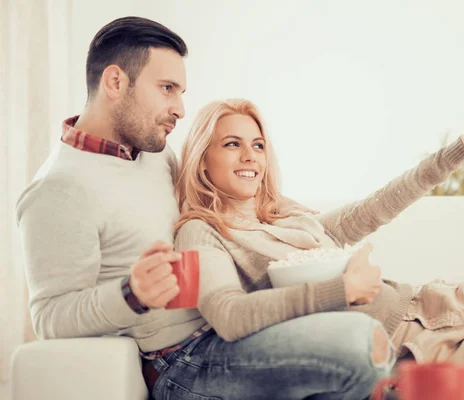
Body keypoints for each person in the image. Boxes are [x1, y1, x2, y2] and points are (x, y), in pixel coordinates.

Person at [16, 16, 392, 400]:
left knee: (377, 328)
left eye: (180, 92)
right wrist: (132, 293)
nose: (179, 108)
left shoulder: (154, 156)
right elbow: (49, 319)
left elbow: (219, 206)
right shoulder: (58, 190)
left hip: (225, 327)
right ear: (115, 82)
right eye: (167, 89)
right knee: (359, 343)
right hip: (181, 361)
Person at [173, 98, 464, 399]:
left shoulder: (287, 216)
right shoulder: (201, 231)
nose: (251, 156)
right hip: (416, 357)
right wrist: (342, 288)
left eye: (258, 144)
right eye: (233, 144)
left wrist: (463, 148)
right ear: (202, 157)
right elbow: (228, 317)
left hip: (436, 301)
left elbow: (379, 205)